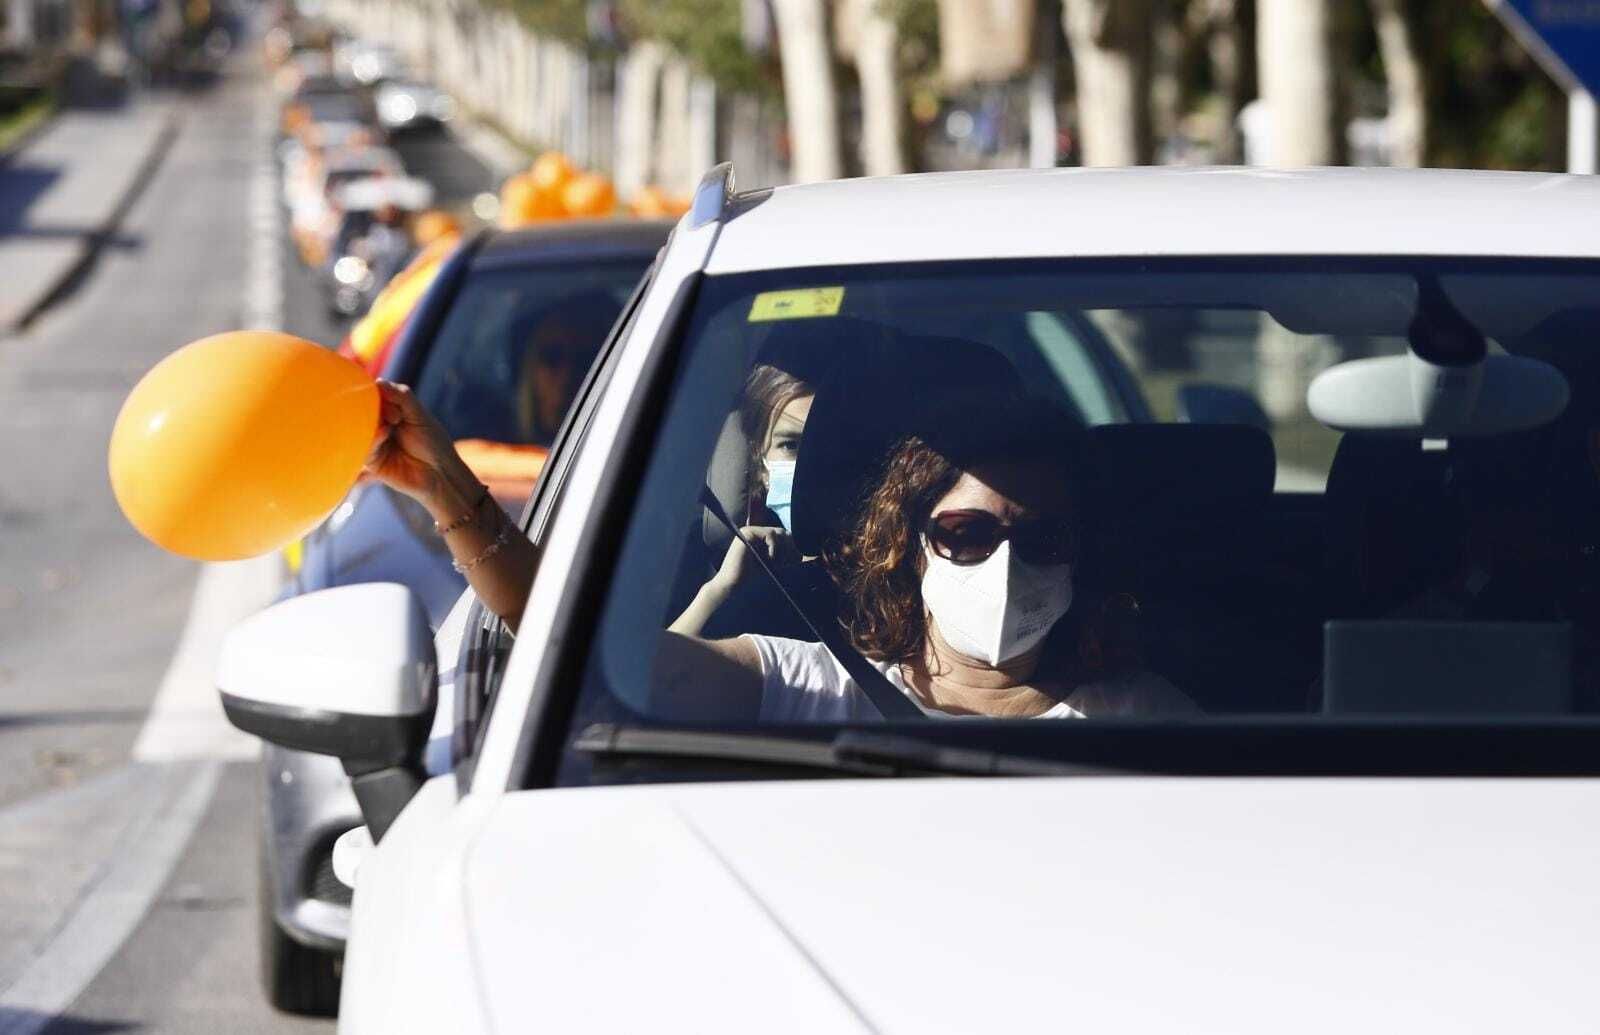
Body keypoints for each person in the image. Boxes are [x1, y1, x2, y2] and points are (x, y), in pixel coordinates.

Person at [655, 393, 1197, 720]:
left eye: (1044, 539)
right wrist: (717, 594)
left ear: (1079, 555)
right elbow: (618, 674)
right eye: (966, 532)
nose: (1005, 564)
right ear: (909, 544)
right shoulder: (810, 687)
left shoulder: (1146, 717)